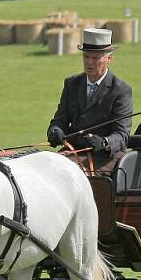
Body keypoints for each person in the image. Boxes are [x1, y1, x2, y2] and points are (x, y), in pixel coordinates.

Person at [47, 28, 133, 172]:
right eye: (86, 57)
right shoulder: (72, 83)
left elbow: (122, 135)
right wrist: (55, 131)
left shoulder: (121, 90)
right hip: (73, 151)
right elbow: (60, 119)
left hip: (106, 157)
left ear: (109, 59)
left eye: (95, 58)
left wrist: (104, 143)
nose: (89, 62)